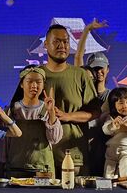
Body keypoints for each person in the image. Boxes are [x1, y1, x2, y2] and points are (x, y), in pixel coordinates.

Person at [40, 24, 100, 176]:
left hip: (72, 156)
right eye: (56, 41)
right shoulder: (35, 75)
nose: (62, 46)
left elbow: (95, 112)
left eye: (65, 41)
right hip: (40, 157)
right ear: (46, 44)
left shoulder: (80, 75)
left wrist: (67, 116)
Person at [4, 66, 62, 178]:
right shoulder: (11, 110)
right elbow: (5, 143)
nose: (34, 85)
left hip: (43, 170)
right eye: (29, 81)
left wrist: (51, 112)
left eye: (38, 82)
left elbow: (54, 139)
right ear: (21, 84)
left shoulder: (47, 109)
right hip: (15, 169)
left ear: (43, 85)